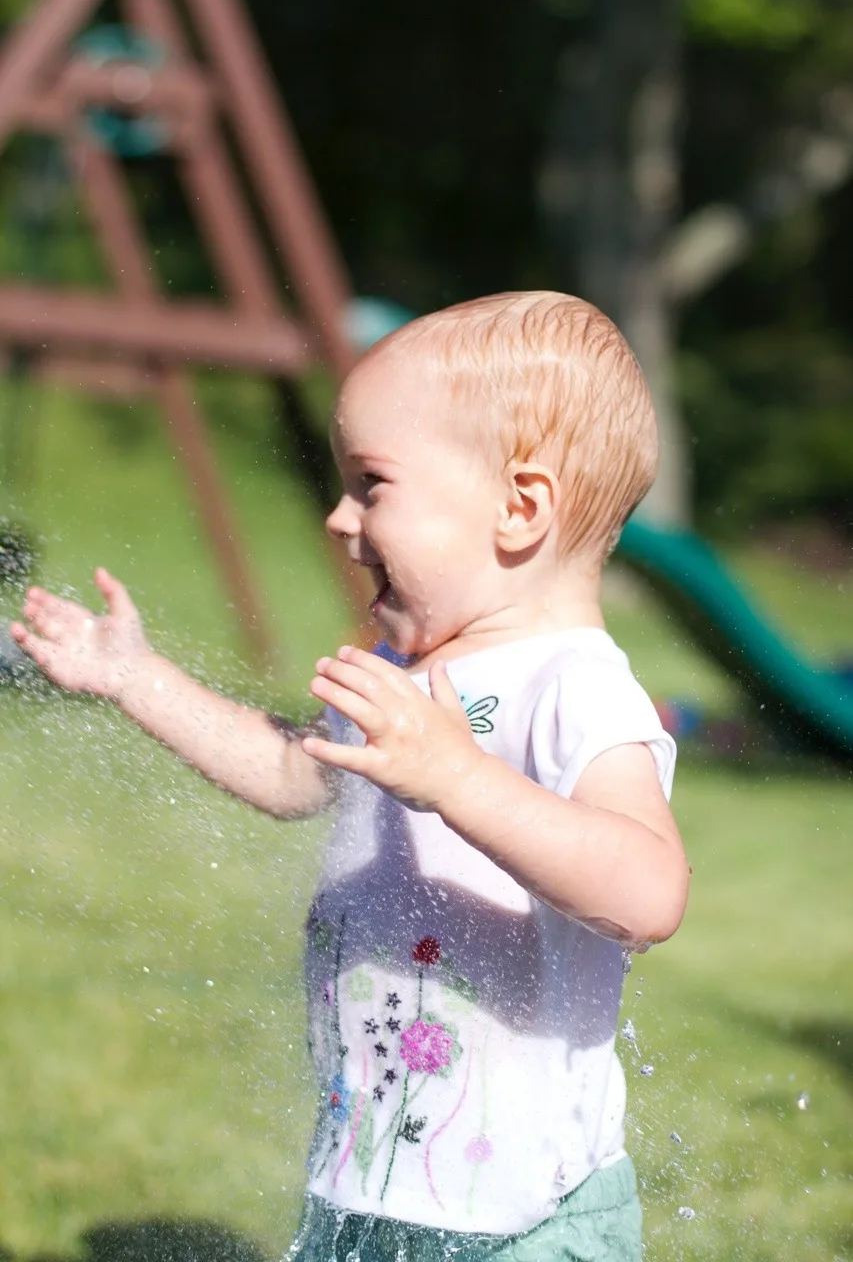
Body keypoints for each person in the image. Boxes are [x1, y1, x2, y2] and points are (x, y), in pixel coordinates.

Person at [10, 291, 690, 1261]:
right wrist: (135, 678)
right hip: (372, 1175)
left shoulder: (572, 686)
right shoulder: (400, 672)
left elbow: (648, 890)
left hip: (522, 1218)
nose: (338, 516)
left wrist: (454, 775)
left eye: (372, 484)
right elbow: (293, 772)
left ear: (519, 508)